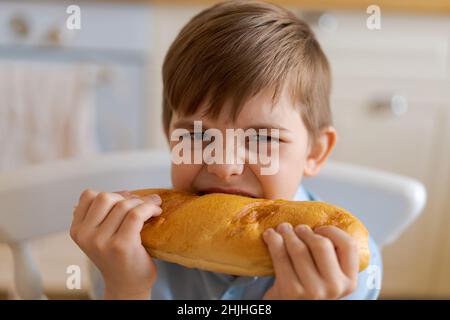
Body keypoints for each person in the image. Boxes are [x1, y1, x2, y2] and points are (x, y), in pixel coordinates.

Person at [70, 0, 382, 300]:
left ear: (314, 152)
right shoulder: (121, 250)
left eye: (262, 138)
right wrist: (126, 291)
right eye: (196, 135)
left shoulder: (343, 271)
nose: (223, 165)